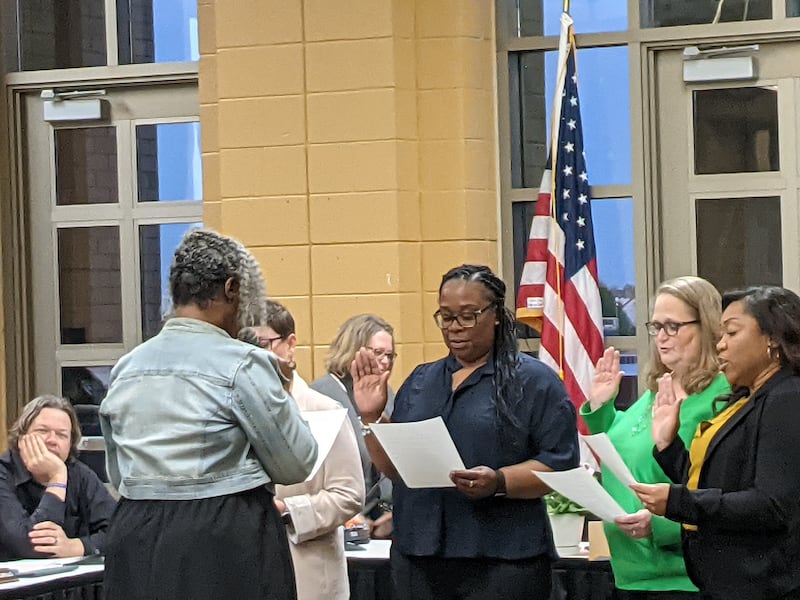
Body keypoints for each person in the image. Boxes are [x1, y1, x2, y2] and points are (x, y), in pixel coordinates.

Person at [99, 228, 318, 600]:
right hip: (220, 538)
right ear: (232, 289)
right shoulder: (243, 364)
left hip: (134, 533)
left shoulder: (126, 368)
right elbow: (296, 463)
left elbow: (119, 475)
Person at [352, 264, 579, 600]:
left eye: (468, 316)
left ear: (496, 315)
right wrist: (371, 417)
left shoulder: (534, 381)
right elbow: (396, 469)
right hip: (420, 554)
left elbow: (561, 466)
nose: (455, 328)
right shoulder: (421, 380)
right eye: (446, 316)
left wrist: (499, 481)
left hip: (501, 558)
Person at [633, 286, 800, 600]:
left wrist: (678, 502)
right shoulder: (745, 398)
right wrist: (669, 447)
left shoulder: (787, 397)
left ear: (773, 339)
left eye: (732, 333)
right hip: (724, 584)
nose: (720, 346)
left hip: (768, 587)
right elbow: (718, 482)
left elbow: (772, 505)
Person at [581, 276, 730, 599]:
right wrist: (601, 409)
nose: (661, 338)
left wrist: (663, 526)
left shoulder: (722, 396)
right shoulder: (658, 390)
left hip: (682, 577)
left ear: (706, 327)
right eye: (655, 326)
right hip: (630, 571)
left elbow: (725, 492)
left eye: (673, 327)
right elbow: (623, 456)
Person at [240, 299, 364, 600]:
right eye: (244, 345)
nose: (253, 355)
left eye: (263, 343)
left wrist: (288, 510)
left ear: (290, 344)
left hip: (307, 571)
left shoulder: (323, 409)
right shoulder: (232, 410)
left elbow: (349, 495)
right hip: (246, 567)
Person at [0, 395, 116, 560]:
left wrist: (76, 546)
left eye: (62, 435)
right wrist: (57, 479)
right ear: (21, 438)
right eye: (42, 431)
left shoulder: (80, 475)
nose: (52, 440)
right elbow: (30, 548)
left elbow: (121, 532)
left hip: (68, 583)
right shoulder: (3, 473)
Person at [311, 313, 396, 538]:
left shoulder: (387, 394)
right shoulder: (321, 396)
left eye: (390, 355)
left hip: (383, 527)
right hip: (341, 525)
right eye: (378, 353)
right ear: (353, 349)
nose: (385, 361)